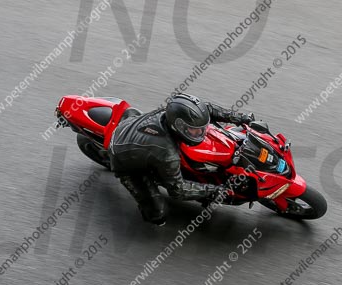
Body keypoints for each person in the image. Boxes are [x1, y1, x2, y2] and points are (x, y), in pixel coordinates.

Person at [108, 93, 253, 225]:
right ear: (179, 126)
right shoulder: (167, 153)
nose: (201, 132)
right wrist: (215, 190)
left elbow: (207, 110)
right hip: (123, 160)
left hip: (133, 125)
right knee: (159, 214)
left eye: (201, 128)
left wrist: (238, 118)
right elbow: (178, 190)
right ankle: (150, 205)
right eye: (194, 130)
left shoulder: (173, 113)